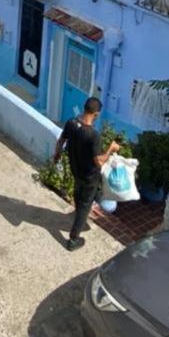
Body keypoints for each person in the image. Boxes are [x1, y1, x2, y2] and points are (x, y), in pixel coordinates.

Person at [50, 96, 119, 251]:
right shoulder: (93, 135)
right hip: (89, 177)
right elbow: (99, 162)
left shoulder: (71, 123)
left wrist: (57, 155)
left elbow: (61, 141)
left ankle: (80, 208)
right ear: (96, 114)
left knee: (78, 190)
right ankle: (73, 240)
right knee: (84, 208)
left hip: (76, 170)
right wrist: (111, 149)